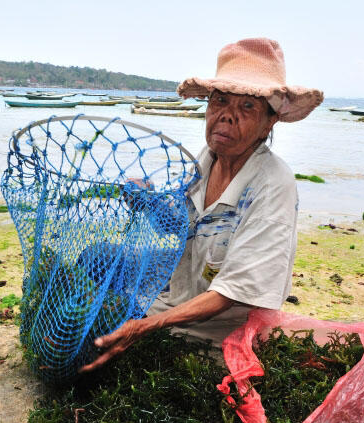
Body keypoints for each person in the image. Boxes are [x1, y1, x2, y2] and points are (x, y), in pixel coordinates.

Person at [80, 38, 323, 372]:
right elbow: (181, 224)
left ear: (270, 122)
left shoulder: (272, 183)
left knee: (89, 349)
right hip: (180, 284)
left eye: (247, 107)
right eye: (220, 101)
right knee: (96, 256)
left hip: (221, 322)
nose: (227, 116)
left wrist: (146, 325)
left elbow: (233, 293)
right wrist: (150, 202)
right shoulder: (205, 160)